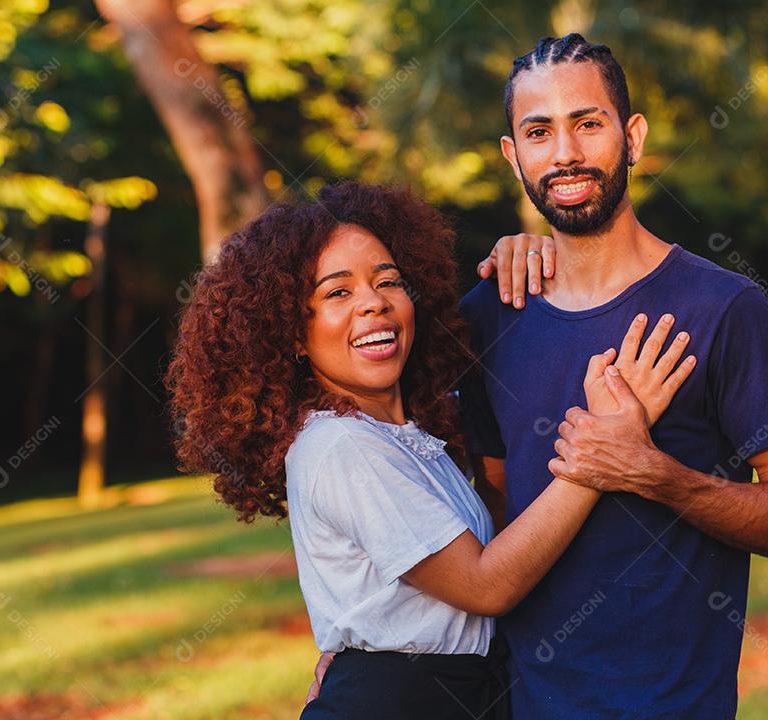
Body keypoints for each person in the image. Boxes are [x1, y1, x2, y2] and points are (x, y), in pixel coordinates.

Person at [309, 34, 768, 718]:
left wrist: (656, 473)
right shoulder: (486, 317)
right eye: (538, 132)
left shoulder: (724, 309)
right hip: (521, 704)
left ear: (633, 136)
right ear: (513, 156)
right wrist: (360, 658)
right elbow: (488, 518)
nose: (565, 154)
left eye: (588, 124)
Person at [164, 181, 695, 719]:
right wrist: (599, 450)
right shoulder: (340, 445)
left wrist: (528, 248)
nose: (373, 302)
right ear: (293, 335)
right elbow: (485, 586)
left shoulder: (408, 434)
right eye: (337, 293)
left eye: (388, 281)